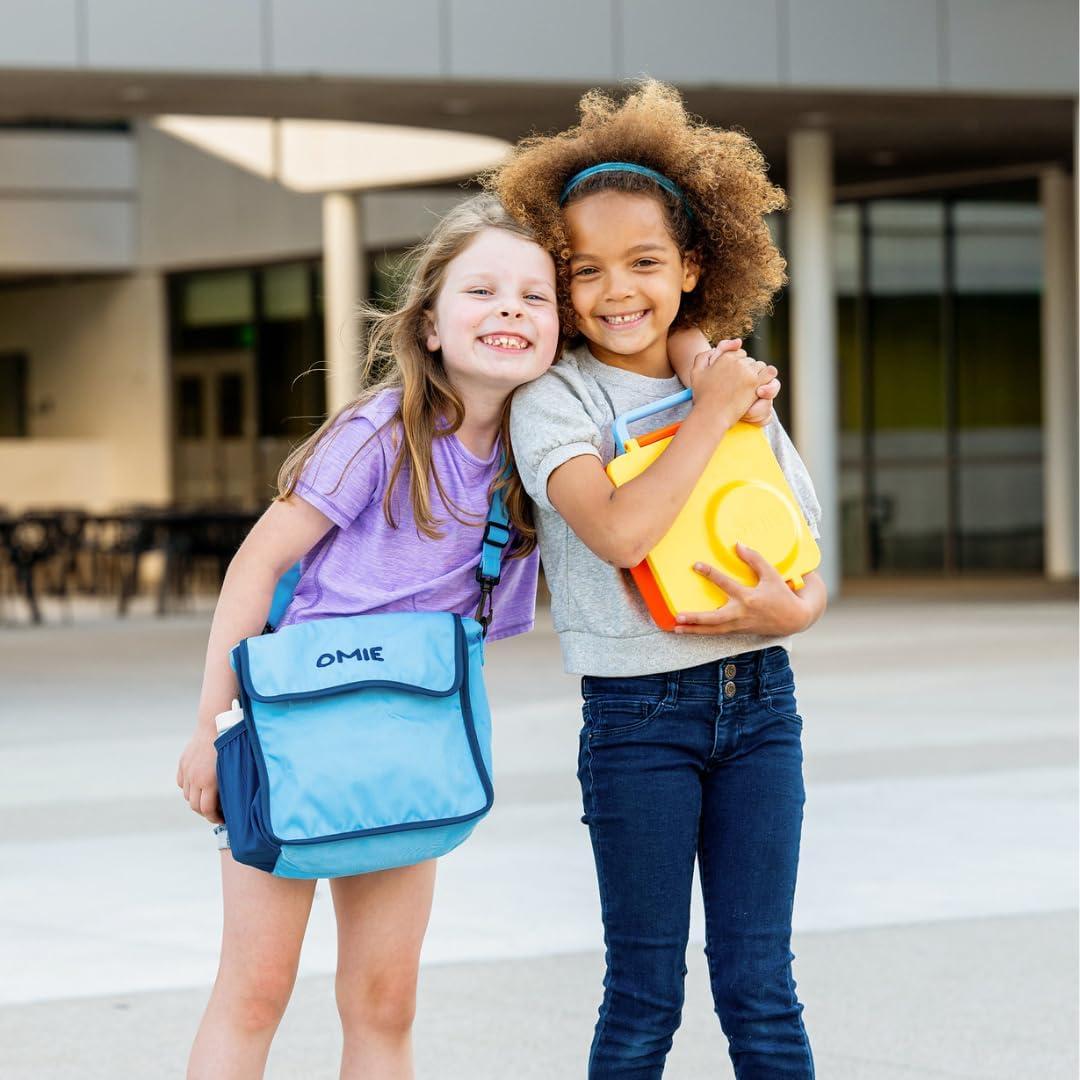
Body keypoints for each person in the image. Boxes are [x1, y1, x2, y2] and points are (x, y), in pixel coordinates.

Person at [174, 194, 561, 1080]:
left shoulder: (534, 459)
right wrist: (209, 725)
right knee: (255, 991)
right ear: (428, 325)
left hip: (408, 746)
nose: (509, 308)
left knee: (385, 1003)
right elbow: (252, 567)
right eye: (483, 290)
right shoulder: (380, 431)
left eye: (535, 297)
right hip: (290, 738)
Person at [491, 81, 826, 1078]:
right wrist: (709, 408)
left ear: (690, 267)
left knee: (760, 986)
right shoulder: (554, 399)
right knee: (644, 992)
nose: (615, 291)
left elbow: (803, 551)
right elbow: (623, 533)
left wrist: (795, 611)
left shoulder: (725, 377)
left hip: (762, 706)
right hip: (638, 722)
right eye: (583, 270)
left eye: (643, 262)